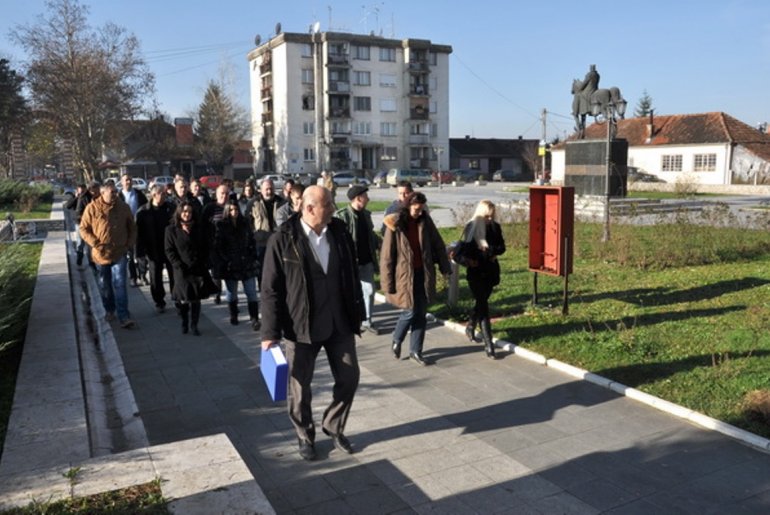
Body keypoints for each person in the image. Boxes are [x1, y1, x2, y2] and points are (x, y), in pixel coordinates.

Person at [261, 186, 365, 461]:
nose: (333, 208)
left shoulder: (340, 233)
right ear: (309, 209)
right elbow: (270, 289)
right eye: (327, 204)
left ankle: (333, 425)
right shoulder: (282, 239)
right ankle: (304, 436)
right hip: (301, 325)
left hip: (339, 322)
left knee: (349, 377)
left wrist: (358, 313)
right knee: (299, 386)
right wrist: (269, 333)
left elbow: (351, 275)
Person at [380, 192, 451, 366]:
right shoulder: (395, 224)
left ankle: (416, 351)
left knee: (421, 313)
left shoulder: (425, 221)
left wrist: (445, 267)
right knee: (410, 311)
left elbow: (438, 244)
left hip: (423, 273)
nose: (419, 212)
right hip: (405, 276)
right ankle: (397, 339)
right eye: (417, 209)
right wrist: (387, 283)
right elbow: (387, 256)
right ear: (408, 206)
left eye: (422, 209)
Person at [79, 181, 137, 328]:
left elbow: (132, 227)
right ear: (103, 193)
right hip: (101, 254)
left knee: (120, 284)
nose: (115, 195)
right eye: (112, 192)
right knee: (105, 285)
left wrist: (129, 244)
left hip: (119, 252)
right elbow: (84, 229)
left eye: (116, 192)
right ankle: (109, 310)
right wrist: (96, 244)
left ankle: (124, 315)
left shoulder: (123, 208)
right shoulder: (92, 208)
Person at [461, 200, 506, 359]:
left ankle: (471, 324)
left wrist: (490, 250)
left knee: (481, 302)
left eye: (492, 216)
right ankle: (489, 344)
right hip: (475, 272)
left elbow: (502, 247)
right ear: (480, 214)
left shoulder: (495, 227)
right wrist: (472, 258)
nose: (489, 219)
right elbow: (463, 251)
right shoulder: (471, 227)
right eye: (487, 216)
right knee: (484, 306)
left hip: (490, 271)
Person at [164, 200, 215, 335]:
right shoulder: (171, 230)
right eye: (185, 211)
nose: (187, 214)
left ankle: (194, 324)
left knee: (196, 299)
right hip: (182, 269)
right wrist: (178, 265)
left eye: (190, 212)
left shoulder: (198, 228)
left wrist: (203, 261)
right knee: (184, 298)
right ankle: (184, 320)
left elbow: (206, 246)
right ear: (180, 212)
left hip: (197, 268)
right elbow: (169, 250)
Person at [335, 184, 380, 332]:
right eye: (366, 196)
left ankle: (367, 321)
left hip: (366, 260)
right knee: (348, 293)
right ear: (358, 198)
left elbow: (371, 235)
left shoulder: (366, 215)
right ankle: (347, 321)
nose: (368, 198)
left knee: (370, 291)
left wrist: (382, 243)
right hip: (349, 263)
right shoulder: (342, 216)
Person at [213, 200, 261, 330]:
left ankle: (254, 318)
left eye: (236, 210)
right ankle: (233, 315)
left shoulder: (244, 223)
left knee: (251, 292)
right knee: (231, 293)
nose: (234, 213)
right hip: (231, 264)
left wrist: (252, 256)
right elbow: (219, 246)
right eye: (231, 210)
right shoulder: (221, 225)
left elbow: (251, 240)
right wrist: (227, 260)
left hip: (246, 262)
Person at [135, 185, 175, 313]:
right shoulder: (143, 211)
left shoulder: (170, 208)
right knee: (155, 276)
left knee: (174, 274)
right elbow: (139, 234)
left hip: (170, 247)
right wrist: (140, 252)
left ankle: (177, 297)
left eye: (164, 194)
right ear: (154, 195)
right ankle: (159, 301)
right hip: (153, 248)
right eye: (161, 194)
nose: (164, 196)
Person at [245, 178, 286, 286]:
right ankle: (263, 289)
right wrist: (253, 235)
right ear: (261, 190)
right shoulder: (253, 203)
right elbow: (248, 222)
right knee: (262, 269)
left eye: (271, 189)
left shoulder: (282, 202)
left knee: (278, 267)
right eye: (266, 189)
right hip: (261, 242)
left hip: (278, 241)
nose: (269, 191)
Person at [202, 184, 233, 304]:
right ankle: (217, 293)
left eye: (226, 194)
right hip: (214, 244)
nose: (224, 196)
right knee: (216, 272)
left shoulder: (231, 207)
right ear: (216, 194)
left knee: (229, 271)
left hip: (230, 245)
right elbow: (203, 226)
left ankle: (231, 298)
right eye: (222, 193)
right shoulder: (210, 208)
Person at [118, 173, 148, 287]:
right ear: (121, 182)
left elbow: (146, 207)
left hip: (139, 227)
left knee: (141, 253)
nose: (128, 182)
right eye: (125, 180)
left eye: (130, 180)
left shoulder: (139, 194)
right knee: (129, 255)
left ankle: (143, 275)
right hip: (126, 229)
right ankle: (133, 277)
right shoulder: (118, 197)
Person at [75, 181, 101, 267]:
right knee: (81, 243)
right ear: (90, 190)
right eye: (94, 191)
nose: (96, 193)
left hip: (96, 225)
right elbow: (78, 212)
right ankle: (80, 256)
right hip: (83, 224)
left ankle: (92, 262)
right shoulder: (83, 198)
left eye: (97, 191)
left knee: (92, 245)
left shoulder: (101, 198)